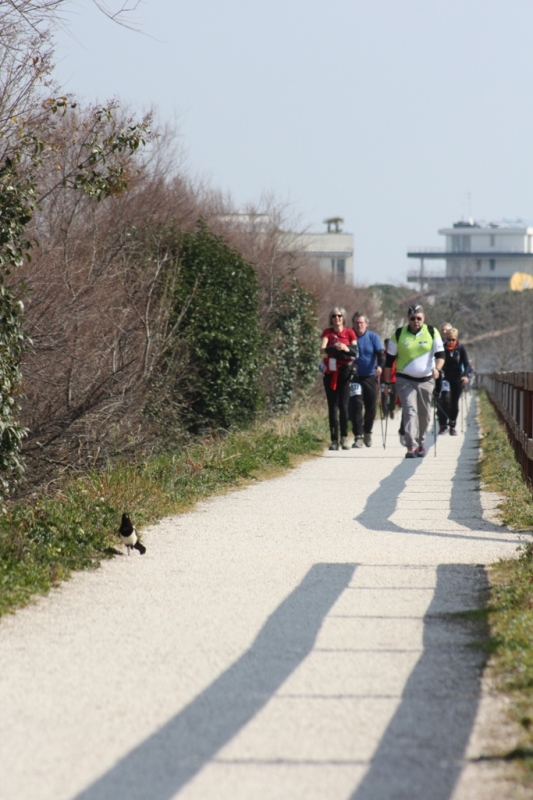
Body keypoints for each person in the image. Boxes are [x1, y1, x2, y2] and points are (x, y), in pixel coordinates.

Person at [383, 304, 445, 458]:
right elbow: (389, 361)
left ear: (423, 318)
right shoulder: (399, 334)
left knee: (424, 413)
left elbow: (441, 355)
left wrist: (437, 369)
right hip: (405, 379)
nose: (416, 321)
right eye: (412, 318)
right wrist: (387, 383)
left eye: (419, 318)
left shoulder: (432, 332)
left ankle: (421, 443)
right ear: (408, 318)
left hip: (426, 380)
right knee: (410, 411)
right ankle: (411, 446)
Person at [320, 307, 358, 451]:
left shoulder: (350, 332)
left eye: (339, 316)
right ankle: (334, 440)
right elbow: (322, 349)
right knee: (332, 407)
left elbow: (355, 351)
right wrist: (334, 348)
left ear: (343, 318)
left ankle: (344, 437)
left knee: (343, 405)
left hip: (345, 372)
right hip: (330, 372)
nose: (337, 318)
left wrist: (345, 348)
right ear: (331, 318)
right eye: (334, 316)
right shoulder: (327, 332)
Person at [349, 313, 384, 448]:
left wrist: (380, 367)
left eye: (361, 323)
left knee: (371, 408)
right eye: (356, 323)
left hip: (370, 376)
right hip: (355, 377)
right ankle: (358, 436)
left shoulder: (373, 337)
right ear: (353, 324)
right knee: (356, 405)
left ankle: (367, 432)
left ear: (366, 324)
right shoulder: (349, 336)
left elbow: (381, 356)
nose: (359, 325)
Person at [437, 328, 469, 435]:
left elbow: (466, 363)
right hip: (444, 377)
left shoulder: (460, 348)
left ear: (456, 339)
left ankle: (452, 425)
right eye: (448, 339)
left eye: (453, 340)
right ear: (445, 339)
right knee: (444, 400)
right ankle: (442, 425)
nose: (451, 342)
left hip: (457, 378)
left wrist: (465, 376)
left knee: (454, 403)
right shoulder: (441, 348)